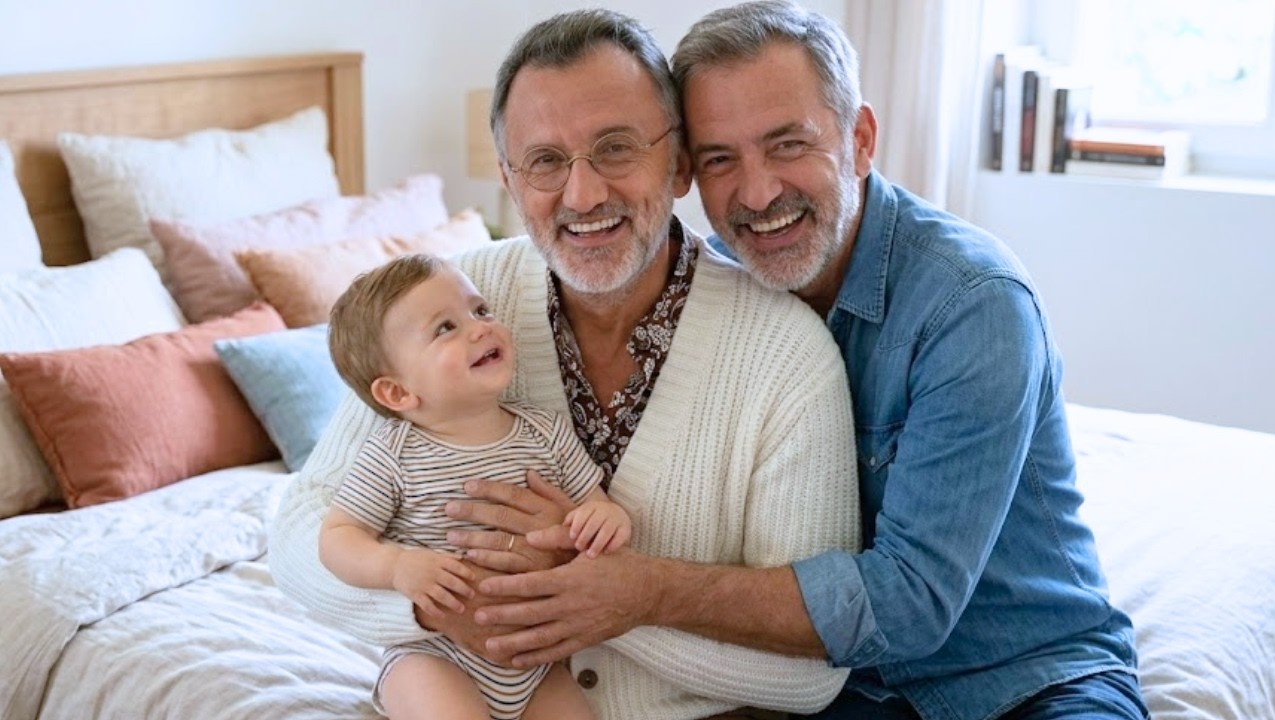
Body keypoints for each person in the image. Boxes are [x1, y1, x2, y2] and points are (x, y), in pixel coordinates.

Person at [467, 3, 1149, 719]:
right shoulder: (715, 292)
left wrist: (637, 590)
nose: (758, 193)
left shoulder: (972, 303)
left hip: (1026, 678)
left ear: (860, 140)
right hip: (846, 693)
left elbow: (911, 604)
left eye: (788, 144)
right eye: (720, 158)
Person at [269, 8, 860, 720]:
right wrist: (437, 606)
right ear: (509, 179)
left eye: (616, 149)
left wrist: (604, 599)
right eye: (546, 161)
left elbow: (813, 671)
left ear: (678, 163)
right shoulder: (453, 302)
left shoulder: (787, 354)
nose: (583, 196)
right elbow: (298, 536)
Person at [319, 253, 631, 720]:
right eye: (445, 328)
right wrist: (396, 566)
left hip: (536, 664)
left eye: (480, 310)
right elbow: (338, 536)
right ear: (398, 393)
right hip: (434, 654)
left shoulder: (545, 432)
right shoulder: (393, 454)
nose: (480, 328)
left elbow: (594, 504)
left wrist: (605, 519)